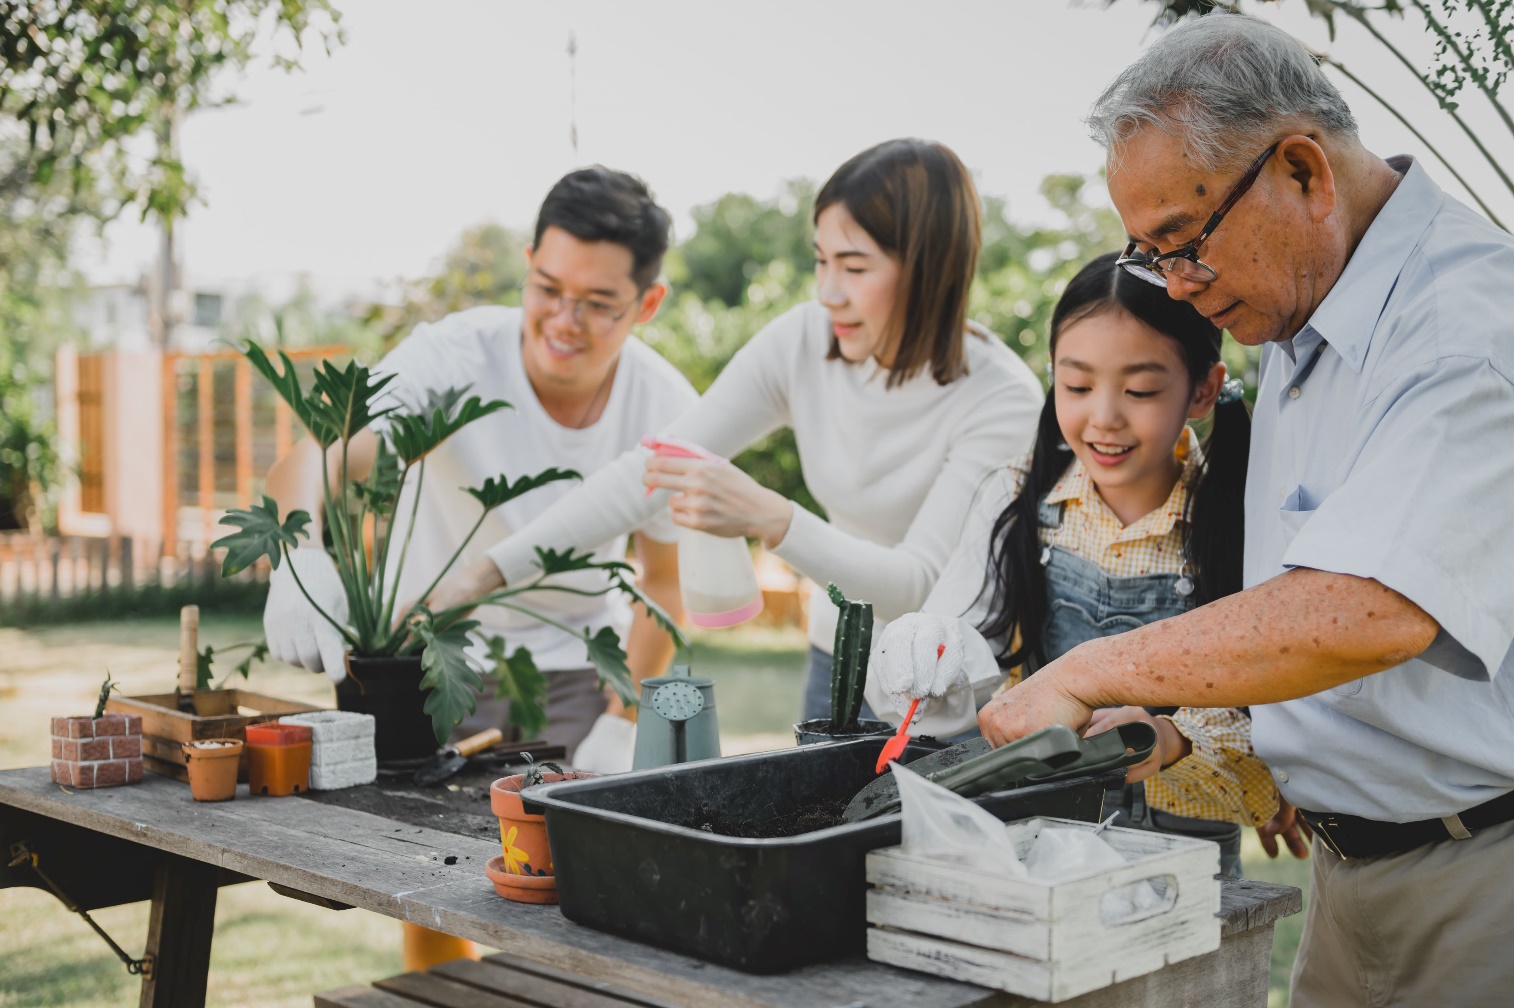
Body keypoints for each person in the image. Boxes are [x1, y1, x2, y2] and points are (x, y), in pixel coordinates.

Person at [976, 14, 1514, 1007]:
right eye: (1147, 253)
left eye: (1183, 245)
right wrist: (1182, 727)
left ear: (1301, 170)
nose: (1175, 285)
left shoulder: (1464, 331)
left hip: (1480, 876)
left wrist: (1093, 665)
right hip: (1347, 875)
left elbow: (1369, 606)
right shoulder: (1302, 303)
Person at [423, 139, 1045, 747]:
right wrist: (484, 574)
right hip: (838, 660)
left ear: (931, 267)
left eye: (854, 268)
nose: (828, 291)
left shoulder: (1001, 400)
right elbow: (646, 472)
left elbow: (917, 587)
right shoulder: (805, 340)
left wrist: (771, 519)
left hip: (952, 699)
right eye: (821, 260)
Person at [260, 166, 696, 771]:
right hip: (427, 659)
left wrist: (621, 722)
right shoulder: (450, 355)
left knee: (558, 857)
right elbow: (320, 454)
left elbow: (665, 583)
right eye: (547, 288)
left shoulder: (667, 407)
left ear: (647, 303)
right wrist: (298, 554)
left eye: (598, 304)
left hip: (579, 674)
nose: (564, 321)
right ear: (528, 262)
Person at [867, 252, 1276, 877]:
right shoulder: (1018, 497)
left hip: (1187, 850)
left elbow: (1276, 714)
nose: (1104, 417)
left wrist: (1170, 739)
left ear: (1204, 388)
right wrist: (930, 645)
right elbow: (958, 649)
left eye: (1139, 390)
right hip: (1043, 825)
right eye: (1078, 386)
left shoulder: (1244, 515)